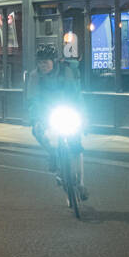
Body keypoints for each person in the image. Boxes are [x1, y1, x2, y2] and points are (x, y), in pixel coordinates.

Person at [26, 44, 88, 200]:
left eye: (45, 62)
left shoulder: (66, 72)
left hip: (68, 109)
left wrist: (83, 116)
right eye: (40, 63)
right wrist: (36, 119)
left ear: (54, 61)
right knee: (37, 130)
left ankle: (81, 183)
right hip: (47, 113)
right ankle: (53, 154)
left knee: (76, 144)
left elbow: (75, 95)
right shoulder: (35, 76)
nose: (43, 65)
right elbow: (33, 100)